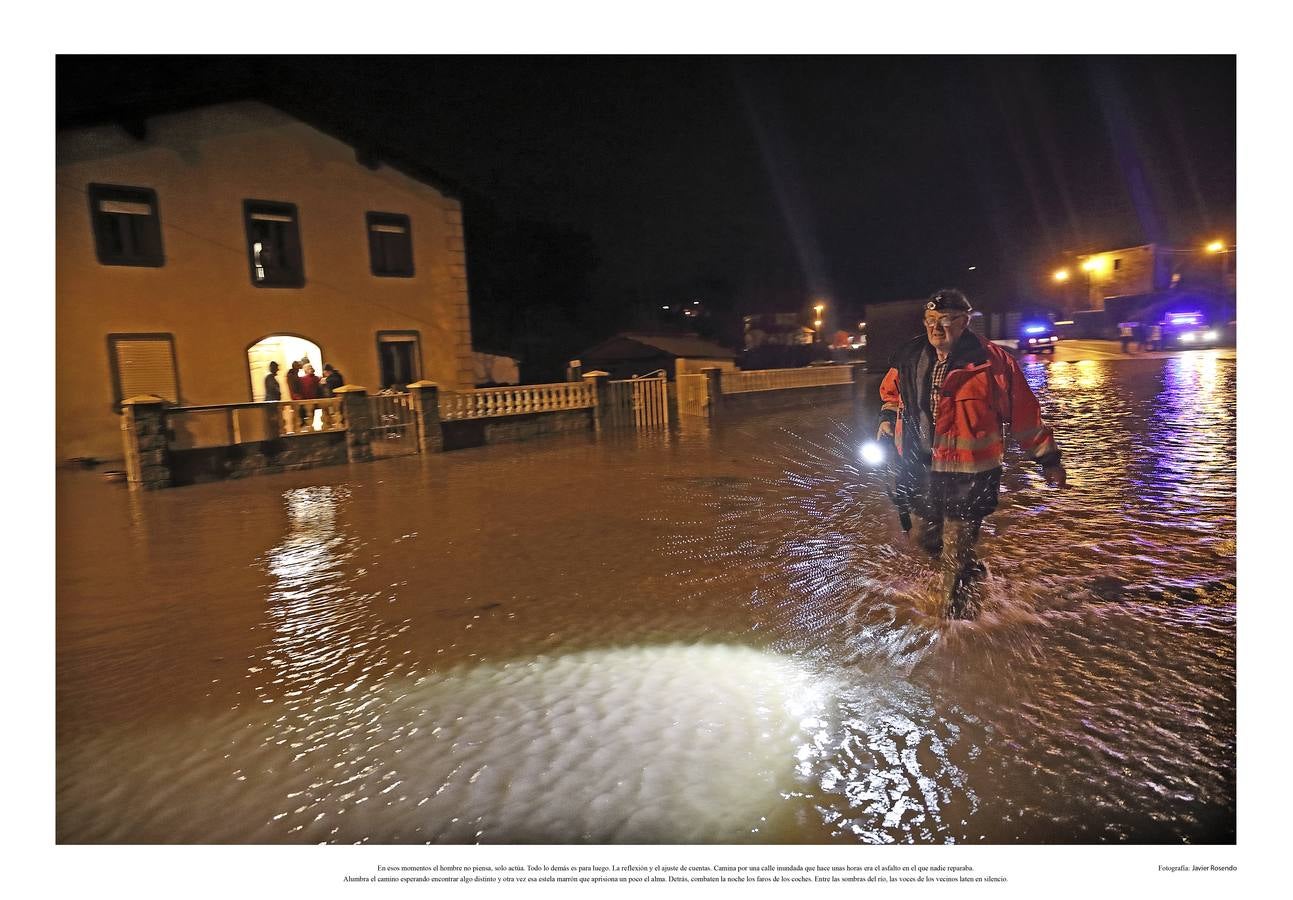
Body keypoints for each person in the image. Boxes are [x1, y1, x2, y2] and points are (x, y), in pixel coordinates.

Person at [878, 288, 1067, 619]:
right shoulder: (908, 357)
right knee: (923, 538)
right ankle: (970, 572)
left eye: (947, 320)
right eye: (931, 320)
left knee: (954, 551)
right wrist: (885, 425)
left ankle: (954, 630)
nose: (937, 328)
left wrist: (1048, 459)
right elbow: (891, 396)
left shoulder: (993, 362)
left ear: (965, 322)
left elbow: (1025, 416)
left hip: (971, 475)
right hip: (922, 470)